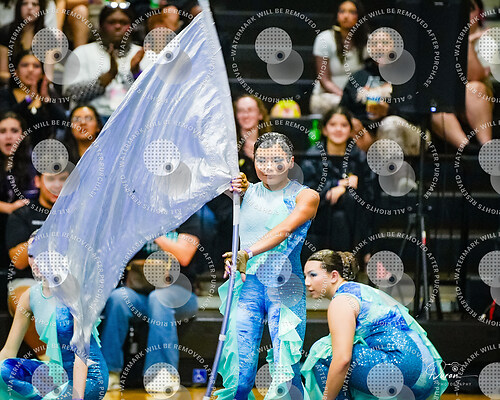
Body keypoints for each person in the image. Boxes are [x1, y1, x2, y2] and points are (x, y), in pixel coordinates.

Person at [215, 132, 320, 399]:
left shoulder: (306, 196)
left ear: (291, 161)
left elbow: (284, 230)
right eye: (261, 160)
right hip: (247, 287)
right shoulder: (245, 192)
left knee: (286, 375)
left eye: (276, 160)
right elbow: (206, 177)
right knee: (240, 376)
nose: (268, 167)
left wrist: (246, 253)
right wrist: (233, 180)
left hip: (284, 289)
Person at [302, 250, 448, 400]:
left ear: (333, 276)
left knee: (322, 353)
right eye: (305, 276)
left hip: (402, 370)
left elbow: (342, 360)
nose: (306, 282)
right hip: (427, 374)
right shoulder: (363, 291)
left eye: (313, 275)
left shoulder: (342, 301)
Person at [0, 231, 108, 399]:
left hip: (89, 377)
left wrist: (76, 397)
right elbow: (8, 351)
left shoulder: (74, 293)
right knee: (5, 370)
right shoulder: (29, 296)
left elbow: (81, 355)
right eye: (31, 255)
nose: (36, 261)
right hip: (55, 375)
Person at [100, 213, 202, 391]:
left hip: (181, 295)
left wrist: (153, 231)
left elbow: (184, 255)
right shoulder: (135, 216)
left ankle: (162, 373)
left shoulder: (188, 215)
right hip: (141, 294)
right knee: (118, 298)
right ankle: (110, 371)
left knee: (159, 299)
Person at [5, 169, 69, 358]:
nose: (56, 185)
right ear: (38, 181)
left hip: (66, 281)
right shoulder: (22, 214)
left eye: (62, 180)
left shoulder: (75, 215)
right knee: (25, 298)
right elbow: (18, 262)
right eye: (50, 179)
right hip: (27, 281)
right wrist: (44, 233)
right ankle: (48, 358)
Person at [301, 107, 375, 261]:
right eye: (333, 124)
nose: (338, 129)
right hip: (320, 215)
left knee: (344, 210)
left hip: (351, 215)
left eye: (344, 125)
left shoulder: (359, 157)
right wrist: (335, 186)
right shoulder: (313, 156)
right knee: (343, 209)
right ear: (324, 129)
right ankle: (359, 255)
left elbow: (370, 195)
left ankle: (345, 261)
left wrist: (347, 188)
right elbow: (306, 193)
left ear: (350, 130)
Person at [340, 29, 425, 155]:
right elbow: (342, 107)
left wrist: (389, 111)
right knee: (343, 125)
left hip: (406, 131)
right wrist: (352, 121)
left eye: (385, 43)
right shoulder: (359, 76)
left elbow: (419, 114)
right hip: (367, 132)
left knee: (389, 125)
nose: (379, 47)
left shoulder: (407, 76)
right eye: (374, 44)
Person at [63, 5, 150, 121]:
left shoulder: (143, 54)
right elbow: (71, 94)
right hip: (94, 120)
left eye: (123, 22)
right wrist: (105, 79)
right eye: (111, 22)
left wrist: (136, 74)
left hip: (131, 119)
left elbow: (151, 96)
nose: (117, 26)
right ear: (101, 25)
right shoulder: (82, 53)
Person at [430, 0, 493, 148]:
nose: (463, 14)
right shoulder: (439, 39)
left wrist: (466, 42)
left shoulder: (488, 39)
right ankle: (466, 149)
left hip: (476, 98)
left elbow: (475, 76)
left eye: (469, 8)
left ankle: (487, 147)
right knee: (435, 105)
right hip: (447, 98)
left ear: (479, 13)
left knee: (474, 88)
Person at [310, 0, 368, 115]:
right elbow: (324, 80)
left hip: (357, 97)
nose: (346, 16)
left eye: (352, 12)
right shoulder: (325, 39)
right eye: (342, 11)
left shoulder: (367, 40)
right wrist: (345, 97)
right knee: (342, 106)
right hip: (328, 96)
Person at [0, 50, 66, 146]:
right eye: (25, 65)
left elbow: (63, 123)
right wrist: (29, 99)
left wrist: (47, 101)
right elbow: (6, 118)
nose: (30, 70)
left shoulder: (49, 94)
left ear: (42, 74)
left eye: (36, 66)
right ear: (15, 72)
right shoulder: (5, 93)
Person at [0, 112, 36, 270]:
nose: (8, 136)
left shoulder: (32, 162)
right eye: (2, 131)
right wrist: (8, 208)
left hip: (21, 227)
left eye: (14, 131)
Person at [0, 0, 46, 85]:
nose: (29, 7)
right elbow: (3, 73)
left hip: (39, 86)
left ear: (41, 9)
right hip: (12, 86)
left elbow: (49, 75)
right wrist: (21, 80)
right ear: (18, 7)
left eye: (34, 4)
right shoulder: (6, 32)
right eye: (24, 4)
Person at [234, 94, 272, 183]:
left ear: (260, 114)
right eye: (241, 111)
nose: (246, 115)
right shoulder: (230, 147)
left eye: (250, 110)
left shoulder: (273, 146)